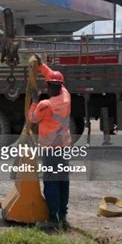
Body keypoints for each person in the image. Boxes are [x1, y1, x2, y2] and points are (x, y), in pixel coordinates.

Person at [28, 53, 71, 230]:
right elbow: (52, 75)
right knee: (63, 181)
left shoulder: (45, 105)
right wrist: (42, 66)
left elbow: (32, 119)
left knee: (51, 183)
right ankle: (63, 215)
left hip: (51, 150)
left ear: (47, 86)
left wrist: (34, 101)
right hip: (64, 147)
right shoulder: (66, 96)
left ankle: (54, 219)